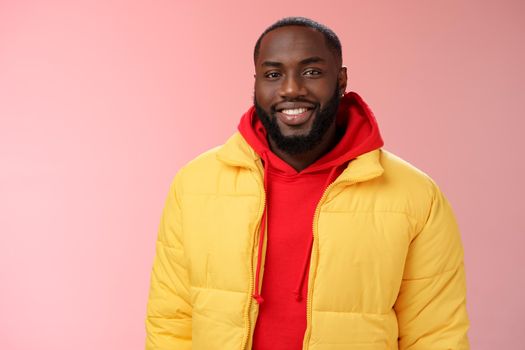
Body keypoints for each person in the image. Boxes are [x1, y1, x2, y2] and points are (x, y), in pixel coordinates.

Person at [145, 17, 469, 350]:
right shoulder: (195, 184)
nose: (290, 89)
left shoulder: (415, 195)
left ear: (341, 80)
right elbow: (172, 322)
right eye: (273, 75)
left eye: (311, 72)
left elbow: (436, 335)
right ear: (256, 83)